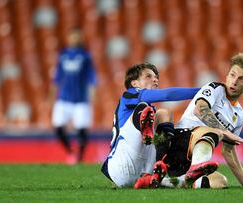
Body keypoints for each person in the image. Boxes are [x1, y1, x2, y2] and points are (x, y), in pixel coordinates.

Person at [134, 53, 243, 189]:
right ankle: (192, 170)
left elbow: (228, 151)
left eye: (241, 79)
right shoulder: (215, 88)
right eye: (232, 75)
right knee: (216, 132)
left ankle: (166, 181)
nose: (234, 81)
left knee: (220, 181)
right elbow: (200, 110)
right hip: (180, 142)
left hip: (190, 160)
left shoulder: (240, 115)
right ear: (227, 75)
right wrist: (225, 132)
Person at [101, 62, 209, 188]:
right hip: (120, 164)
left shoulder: (149, 111)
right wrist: (204, 91)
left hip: (143, 171)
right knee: (144, 108)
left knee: (163, 113)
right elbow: (167, 95)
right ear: (134, 83)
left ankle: (160, 166)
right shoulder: (129, 94)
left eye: (156, 77)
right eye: (148, 76)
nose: (155, 80)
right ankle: (156, 146)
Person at [51, 27, 97, 164]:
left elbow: (92, 77)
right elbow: (57, 77)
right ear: (68, 38)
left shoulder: (86, 56)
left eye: (77, 36)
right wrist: (51, 95)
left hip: (81, 99)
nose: (74, 39)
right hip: (63, 98)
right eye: (72, 36)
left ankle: (80, 157)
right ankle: (70, 152)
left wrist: (92, 94)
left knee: (82, 129)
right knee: (58, 127)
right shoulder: (62, 55)